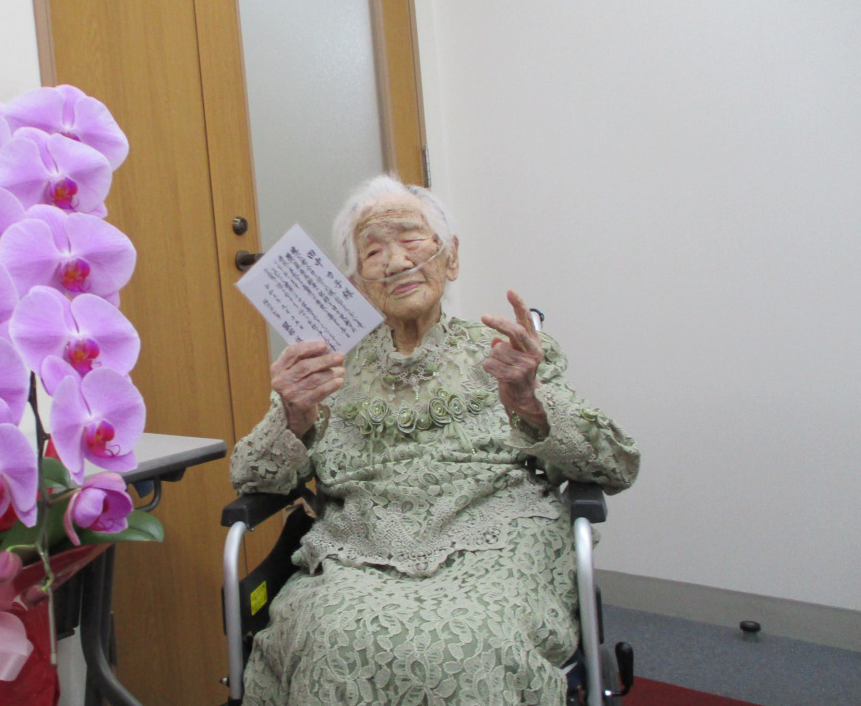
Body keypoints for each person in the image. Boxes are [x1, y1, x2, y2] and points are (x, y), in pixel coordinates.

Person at [231, 175, 640, 705]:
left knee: (471, 642)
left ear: (451, 258)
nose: (396, 261)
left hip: (498, 541)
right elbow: (251, 478)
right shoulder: (326, 370)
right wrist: (292, 416)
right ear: (356, 283)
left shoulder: (508, 353)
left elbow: (615, 466)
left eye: (411, 240)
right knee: (333, 638)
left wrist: (530, 402)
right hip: (361, 550)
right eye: (373, 251)